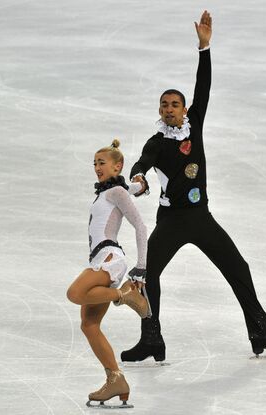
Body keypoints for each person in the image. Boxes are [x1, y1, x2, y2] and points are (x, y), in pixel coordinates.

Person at [121, 10, 266, 363]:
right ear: (160, 109)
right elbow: (141, 163)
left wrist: (204, 48)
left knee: (239, 269)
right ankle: (152, 339)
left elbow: (204, 86)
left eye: (175, 104)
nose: (170, 109)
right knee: (149, 274)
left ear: (185, 109)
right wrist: (138, 179)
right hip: (171, 222)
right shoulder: (157, 142)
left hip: (201, 217)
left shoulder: (193, 125)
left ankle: (261, 331)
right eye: (164, 105)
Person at [66, 139, 150, 408]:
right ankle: (115, 379)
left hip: (111, 258)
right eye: (95, 163)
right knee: (89, 325)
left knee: (76, 293)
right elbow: (131, 187)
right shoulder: (113, 190)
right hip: (100, 258)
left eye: (102, 163)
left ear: (118, 165)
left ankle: (124, 294)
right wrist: (141, 186)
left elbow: (140, 225)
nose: (97, 168)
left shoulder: (115, 192)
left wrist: (142, 266)